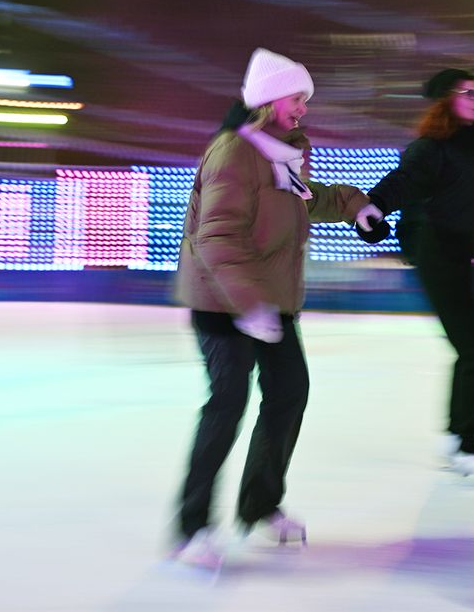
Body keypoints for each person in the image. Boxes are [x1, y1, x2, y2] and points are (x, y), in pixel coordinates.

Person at [172, 47, 383, 568]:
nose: (304, 108)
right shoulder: (234, 152)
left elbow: (307, 201)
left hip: (272, 302)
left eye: (306, 99)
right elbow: (216, 238)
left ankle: (259, 506)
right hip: (224, 304)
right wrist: (250, 305)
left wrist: (359, 206)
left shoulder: (282, 155)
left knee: (289, 394)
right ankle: (192, 527)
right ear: (268, 100)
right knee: (227, 404)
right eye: (297, 97)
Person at [357, 68, 474, 485]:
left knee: (473, 350)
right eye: (469, 93)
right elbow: (401, 183)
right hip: (436, 252)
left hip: (464, 254)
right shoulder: (430, 149)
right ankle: (466, 446)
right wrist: (374, 209)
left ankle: (458, 439)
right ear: (446, 100)